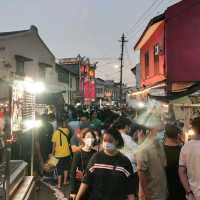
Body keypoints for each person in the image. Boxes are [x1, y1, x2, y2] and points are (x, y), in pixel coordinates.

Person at [75, 128, 136, 200]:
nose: (107, 143)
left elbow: (130, 189)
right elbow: (86, 180)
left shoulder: (124, 162)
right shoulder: (96, 158)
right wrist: (77, 197)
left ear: (117, 141)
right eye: (105, 140)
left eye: (110, 141)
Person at [136, 126, 168, 200]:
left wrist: (165, 188)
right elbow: (141, 175)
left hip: (161, 192)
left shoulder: (160, 145)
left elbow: (163, 166)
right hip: (151, 195)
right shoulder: (143, 149)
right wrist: (146, 195)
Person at [70, 129, 96, 200]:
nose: (90, 139)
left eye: (92, 137)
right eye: (88, 137)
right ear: (83, 139)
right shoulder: (78, 153)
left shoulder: (96, 153)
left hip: (92, 188)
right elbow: (72, 173)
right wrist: (73, 191)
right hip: (79, 187)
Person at [179, 117, 200, 200]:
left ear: (193, 129)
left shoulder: (185, 147)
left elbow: (181, 171)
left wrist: (189, 192)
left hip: (193, 194)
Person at [164, 124, 186, 200]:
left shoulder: (160, 151)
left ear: (165, 135)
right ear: (178, 135)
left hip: (165, 188)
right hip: (181, 187)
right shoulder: (183, 150)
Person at [51, 120, 72, 189]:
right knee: (66, 168)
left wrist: (52, 153)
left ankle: (59, 185)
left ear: (57, 125)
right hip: (67, 153)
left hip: (58, 154)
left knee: (59, 169)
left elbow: (54, 144)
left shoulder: (55, 133)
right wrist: (65, 125)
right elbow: (69, 130)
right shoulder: (66, 130)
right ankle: (65, 181)